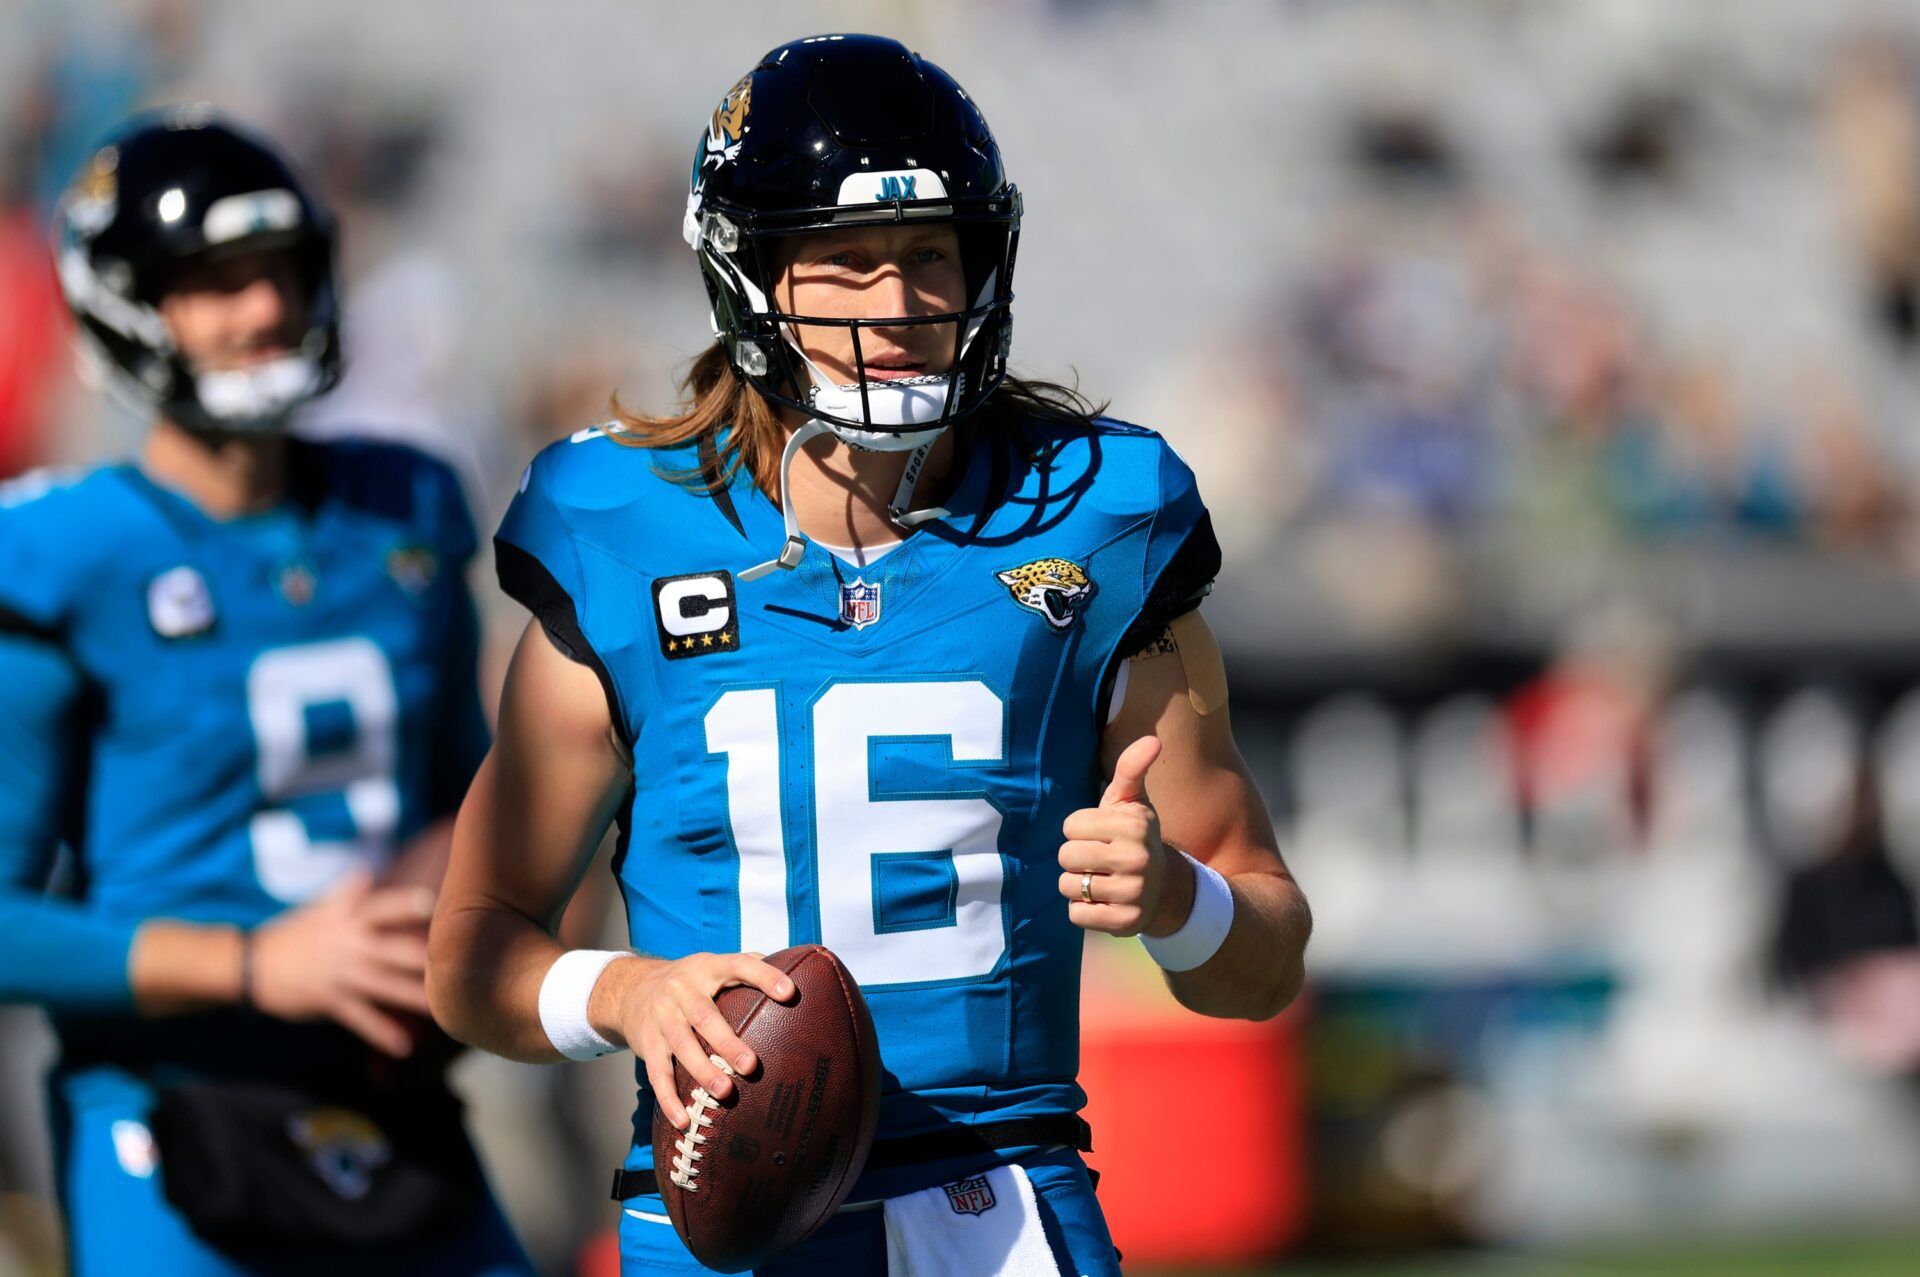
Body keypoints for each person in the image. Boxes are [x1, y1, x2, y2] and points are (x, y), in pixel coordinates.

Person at [428, 35, 1310, 1275]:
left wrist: (1175, 898)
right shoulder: (620, 531)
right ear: (753, 277)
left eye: (930, 257)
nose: (898, 308)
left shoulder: (1096, 518)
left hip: (1001, 1206)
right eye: (847, 265)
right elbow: (471, 954)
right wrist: (628, 993)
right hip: (717, 1213)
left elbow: (1265, 958)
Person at [0, 107, 530, 1275]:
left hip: (386, 1088)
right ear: (126, 301)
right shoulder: (64, 556)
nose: (263, 309)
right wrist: (253, 962)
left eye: (280, 270)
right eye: (214, 281)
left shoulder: (407, 506)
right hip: (174, 1096)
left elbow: (467, 789)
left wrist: (447, 889)